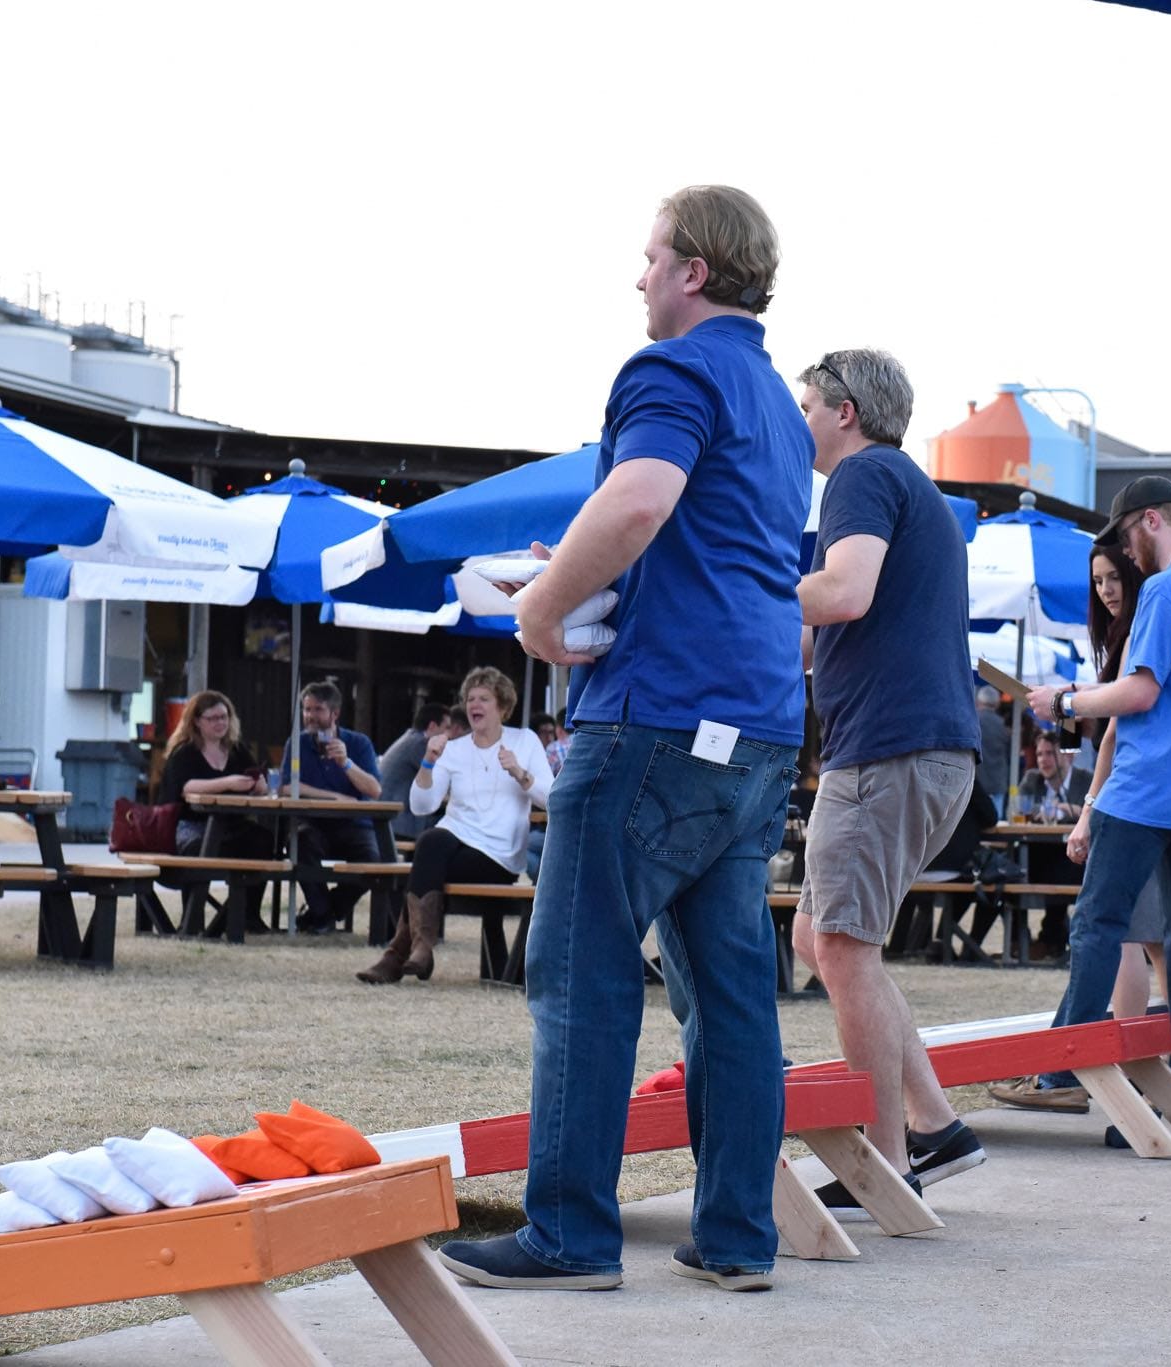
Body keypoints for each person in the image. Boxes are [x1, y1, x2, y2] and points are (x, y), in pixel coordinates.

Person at [437, 186, 808, 1295]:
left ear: (692, 269)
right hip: (754, 722)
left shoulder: (671, 370)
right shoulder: (781, 403)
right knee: (731, 986)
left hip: (650, 712)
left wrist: (543, 610)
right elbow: (705, 537)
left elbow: (641, 500)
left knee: (579, 970)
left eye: (647, 257)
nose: (635, 275)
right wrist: (595, 559)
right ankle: (739, 1233)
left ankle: (569, 1233)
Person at [786, 346, 983, 1217]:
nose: (798, 425)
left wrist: (741, 583)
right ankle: (934, 1124)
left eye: (805, 408)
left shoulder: (863, 478)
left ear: (845, 411)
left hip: (887, 751)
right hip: (926, 749)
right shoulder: (910, 488)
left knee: (841, 948)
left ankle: (883, 1163)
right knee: (818, 939)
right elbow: (824, 630)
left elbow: (843, 593)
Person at [991, 476, 1171, 1112]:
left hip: (1145, 790)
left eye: (1128, 538)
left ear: (1151, 521)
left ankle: (1062, 1074)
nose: (1127, 556)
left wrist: (1065, 702)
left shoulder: (1164, 589)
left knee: (1098, 928)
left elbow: (1139, 693)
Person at [359, 668, 551, 985]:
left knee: (427, 855)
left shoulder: (525, 741)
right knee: (431, 840)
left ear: (502, 706)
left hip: (498, 855)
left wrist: (519, 772)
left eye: (483, 698)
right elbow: (423, 805)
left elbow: (550, 797)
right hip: (452, 843)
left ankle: (399, 953)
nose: (474, 704)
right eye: (470, 698)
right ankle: (419, 949)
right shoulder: (454, 749)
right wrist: (428, 762)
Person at [156, 689, 276, 937]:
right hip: (190, 824)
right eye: (213, 718)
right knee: (197, 848)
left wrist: (259, 787)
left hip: (231, 824)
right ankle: (192, 920)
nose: (220, 723)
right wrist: (229, 782)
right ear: (197, 721)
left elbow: (253, 777)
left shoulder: (237, 750)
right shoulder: (185, 752)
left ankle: (247, 914)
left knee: (261, 840)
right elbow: (186, 787)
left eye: (224, 717)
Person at [276, 681, 384, 934]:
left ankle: (324, 911)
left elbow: (374, 790)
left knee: (373, 862)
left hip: (353, 824)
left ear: (334, 714)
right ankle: (323, 916)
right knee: (300, 842)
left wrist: (346, 764)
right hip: (313, 822)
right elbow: (285, 787)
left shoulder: (358, 743)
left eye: (317, 710)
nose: (310, 716)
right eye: (306, 709)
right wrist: (333, 796)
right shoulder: (297, 743)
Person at [377, 703, 453, 841]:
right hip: (401, 822)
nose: (449, 734)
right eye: (446, 728)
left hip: (392, 819)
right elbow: (439, 785)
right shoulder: (420, 745)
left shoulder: (411, 738)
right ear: (432, 726)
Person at [1018, 736, 1089, 823]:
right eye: (1039, 754)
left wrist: (1080, 812)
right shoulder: (1031, 779)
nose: (1043, 760)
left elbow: (1093, 816)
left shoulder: (1087, 780)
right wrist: (1057, 810)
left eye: (1049, 753)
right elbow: (1019, 808)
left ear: (1068, 756)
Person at [974, 685, 1011, 814]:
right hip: (998, 783)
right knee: (997, 823)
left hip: (977, 784)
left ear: (978, 702)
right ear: (997, 703)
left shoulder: (973, 721)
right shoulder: (1003, 725)